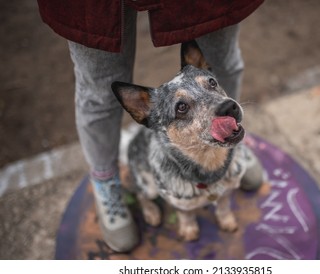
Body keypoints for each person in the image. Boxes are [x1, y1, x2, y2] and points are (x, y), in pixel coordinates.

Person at [37, 0, 265, 252]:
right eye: (182, 108)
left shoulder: (208, 76)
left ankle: (231, 143)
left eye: (210, 84)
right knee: (99, 90)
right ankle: (106, 179)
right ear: (144, 112)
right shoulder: (148, 112)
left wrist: (206, 105)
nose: (225, 104)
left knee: (224, 57)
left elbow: (215, 72)